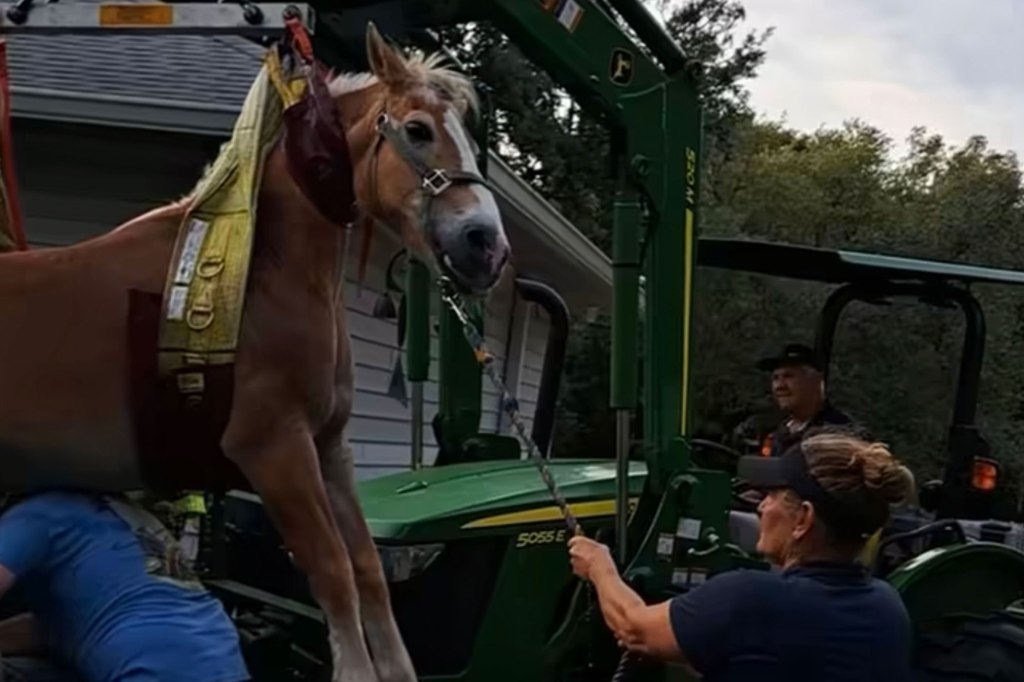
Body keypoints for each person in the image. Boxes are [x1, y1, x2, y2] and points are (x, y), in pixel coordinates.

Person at [567, 431, 916, 682]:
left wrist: (600, 566)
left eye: (773, 495)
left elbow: (633, 628)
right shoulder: (889, 608)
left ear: (804, 519)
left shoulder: (749, 598)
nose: (761, 506)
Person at [0, 491, 250, 682]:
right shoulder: (120, 511)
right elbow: (69, 624)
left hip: (154, 665)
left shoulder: (38, 514)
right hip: (217, 660)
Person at [756, 343, 857, 457]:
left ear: (816, 381)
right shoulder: (776, 435)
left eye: (788, 376)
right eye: (775, 378)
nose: (780, 386)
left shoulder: (840, 435)